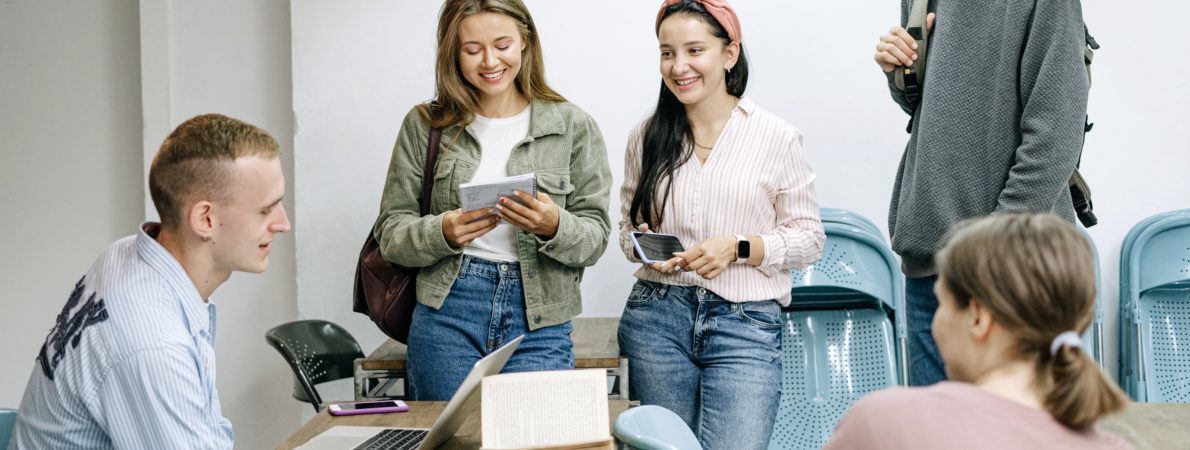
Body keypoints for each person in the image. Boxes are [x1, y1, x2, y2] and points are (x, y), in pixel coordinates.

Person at [373, 0, 612, 401]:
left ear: (525, 42)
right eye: (472, 50)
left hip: (540, 317)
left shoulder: (573, 126)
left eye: (502, 44)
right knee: (452, 442)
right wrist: (442, 232)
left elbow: (597, 237)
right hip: (447, 310)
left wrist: (554, 225)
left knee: (535, 442)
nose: (489, 61)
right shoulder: (425, 125)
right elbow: (391, 233)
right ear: (452, 52)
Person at [9, 114, 291, 449]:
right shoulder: (152, 344)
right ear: (205, 219)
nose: (283, 223)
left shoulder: (127, 254)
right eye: (265, 211)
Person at [616, 1, 825, 448]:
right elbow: (625, 230)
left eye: (695, 50)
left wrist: (738, 247)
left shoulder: (776, 136)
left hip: (745, 324)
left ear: (729, 54)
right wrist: (644, 243)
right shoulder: (645, 136)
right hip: (656, 317)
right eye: (667, 52)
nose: (679, 66)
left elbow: (809, 239)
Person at [872, 0, 1092, 385]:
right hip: (930, 260)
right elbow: (929, 105)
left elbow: (1056, 132)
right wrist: (899, 71)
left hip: (1014, 269)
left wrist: (991, 250)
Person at [824, 213, 1130, 449]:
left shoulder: (884, 422)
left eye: (941, 305)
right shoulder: (1113, 445)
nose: (935, 323)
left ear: (978, 318)